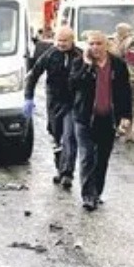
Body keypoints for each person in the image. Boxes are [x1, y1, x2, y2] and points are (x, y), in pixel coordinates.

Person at [69, 31, 132, 211]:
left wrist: (126, 116)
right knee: (87, 157)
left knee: (102, 158)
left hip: (107, 120)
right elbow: (73, 85)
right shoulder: (79, 63)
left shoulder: (118, 64)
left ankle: (97, 192)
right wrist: (87, 67)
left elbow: (125, 91)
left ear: (106, 45)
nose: (94, 47)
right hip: (85, 119)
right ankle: (88, 195)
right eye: (91, 44)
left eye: (98, 43)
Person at [25, 26, 83, 188]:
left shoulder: (80, 55)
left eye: (65, 41)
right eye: (59, 40)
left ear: (72, 40)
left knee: (69, 136)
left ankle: (67, 173)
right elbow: (33, 75)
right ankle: (60, 168)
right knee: (56, 135)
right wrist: (28, 97)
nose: (61, 44)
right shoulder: (50, 54)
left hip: (72, 102)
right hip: (54, 102)